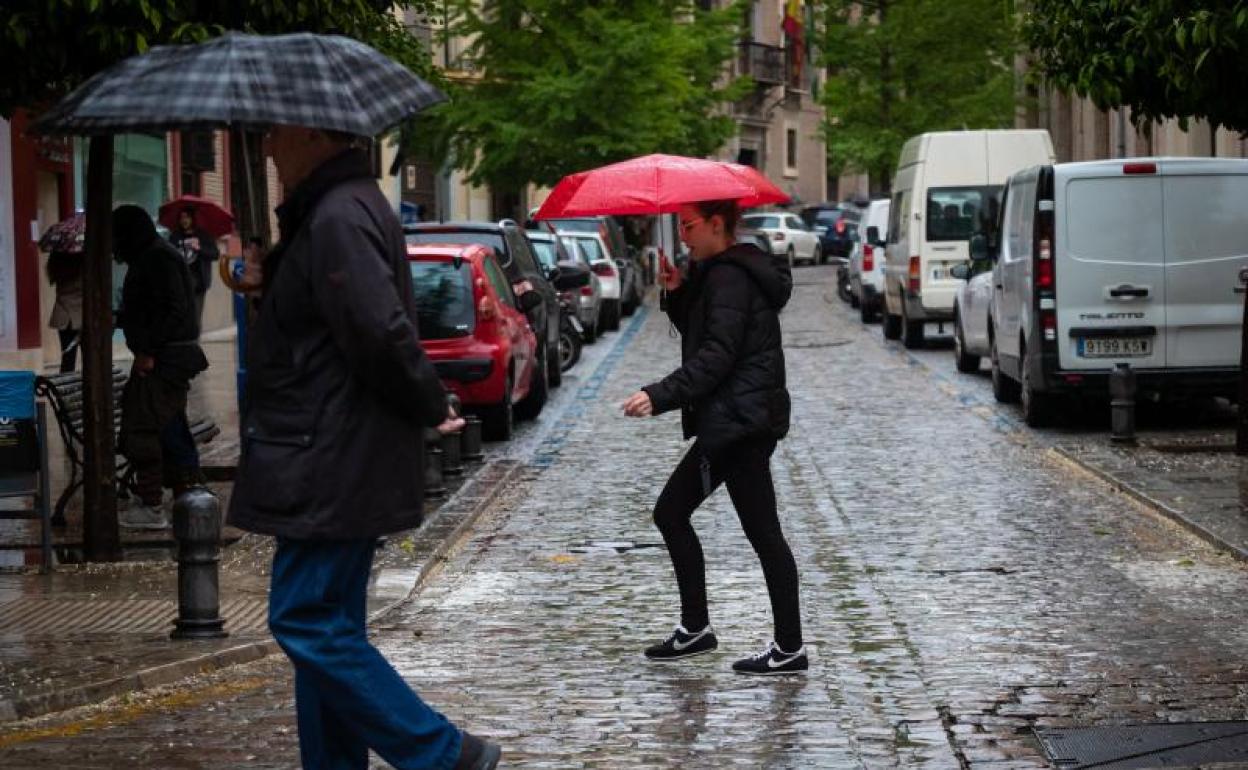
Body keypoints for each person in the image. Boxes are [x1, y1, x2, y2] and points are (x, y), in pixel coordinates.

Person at [226, 125, 501, 770]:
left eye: (277, 134)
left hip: (330, 452)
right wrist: (268, 283)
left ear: (316, 133)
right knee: (330, 628)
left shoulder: (339, 214)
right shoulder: (333, 210)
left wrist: (431, 402)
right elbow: (324, 326)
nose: (268, 148)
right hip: (331, 447)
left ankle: (442, 753)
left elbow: (377, 330)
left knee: (305, 620)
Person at [621, 199, 807, 676]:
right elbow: (709, 335)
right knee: (740, 528)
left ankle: (774, 644)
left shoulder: (729, 277)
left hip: (738, 423)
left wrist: (658, 395)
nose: (683, 235)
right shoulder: (722, 272)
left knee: (692, 517)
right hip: (740, 420)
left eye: (689, 225)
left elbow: (716, 358)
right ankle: (708, 631)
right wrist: (678, 292)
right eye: (680, 225)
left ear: (717, 224)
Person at [112, 205, 210, 529]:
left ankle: (154, 503)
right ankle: (190, 496)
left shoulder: (157, 258)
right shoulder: (156, 255)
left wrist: (149, 350)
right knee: (168, 423)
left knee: (146, 425)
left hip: (165, 359)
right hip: (166, 356)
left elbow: (175, 310)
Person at [169, 206, 219, 325]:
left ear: (192, 219)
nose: (184, 220)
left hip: (198, 283)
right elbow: (168, 256)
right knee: (182, 317)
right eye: (181, 217)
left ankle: (194, 341)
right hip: (179, 283)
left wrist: (199, 248)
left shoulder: (203, 235)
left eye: (187, 217)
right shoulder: (175, 236)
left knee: (195, 318)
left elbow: (215, 254)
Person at [45, 249, 83, 373]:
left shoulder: (57, 265)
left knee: (67, 359)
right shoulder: (80, 268)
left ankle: (65, 390)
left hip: (63, 316)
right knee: (89, 359)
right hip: (80, 316)